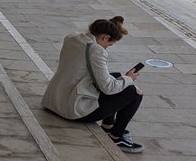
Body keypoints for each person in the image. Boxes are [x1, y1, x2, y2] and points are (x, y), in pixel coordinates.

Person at [41, 17, 145, 152]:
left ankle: (108, 126)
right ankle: (116, 137)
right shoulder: (97, 50)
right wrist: (129, 79)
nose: (107, 48)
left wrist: (122, 78)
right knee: (134, 92)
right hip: (73, 110)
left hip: (54, 100)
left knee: (116, 76)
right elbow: (108, 88)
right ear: (105, 38)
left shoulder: (72, 38)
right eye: (109, 45)